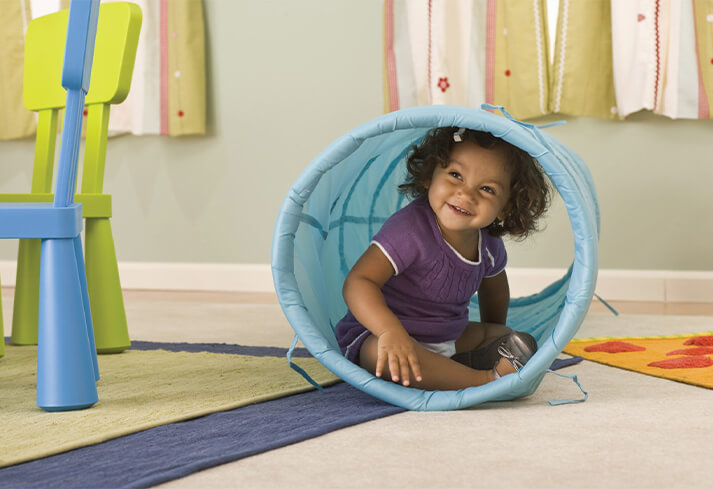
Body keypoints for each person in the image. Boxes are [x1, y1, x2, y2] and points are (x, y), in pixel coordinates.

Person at [334, 126, 551, 390]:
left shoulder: (489, 243)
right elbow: (359, 281)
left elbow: (495, 291)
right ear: (430, 175)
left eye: (486, 189)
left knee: (511, 338)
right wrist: (389, 331)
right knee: (383, 356)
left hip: (448, 334)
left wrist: (492, 335)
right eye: (455, 175)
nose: (466, 194)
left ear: (505, 208)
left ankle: (459, 365)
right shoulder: (409, 229)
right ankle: (483, 380)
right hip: (381, 334)